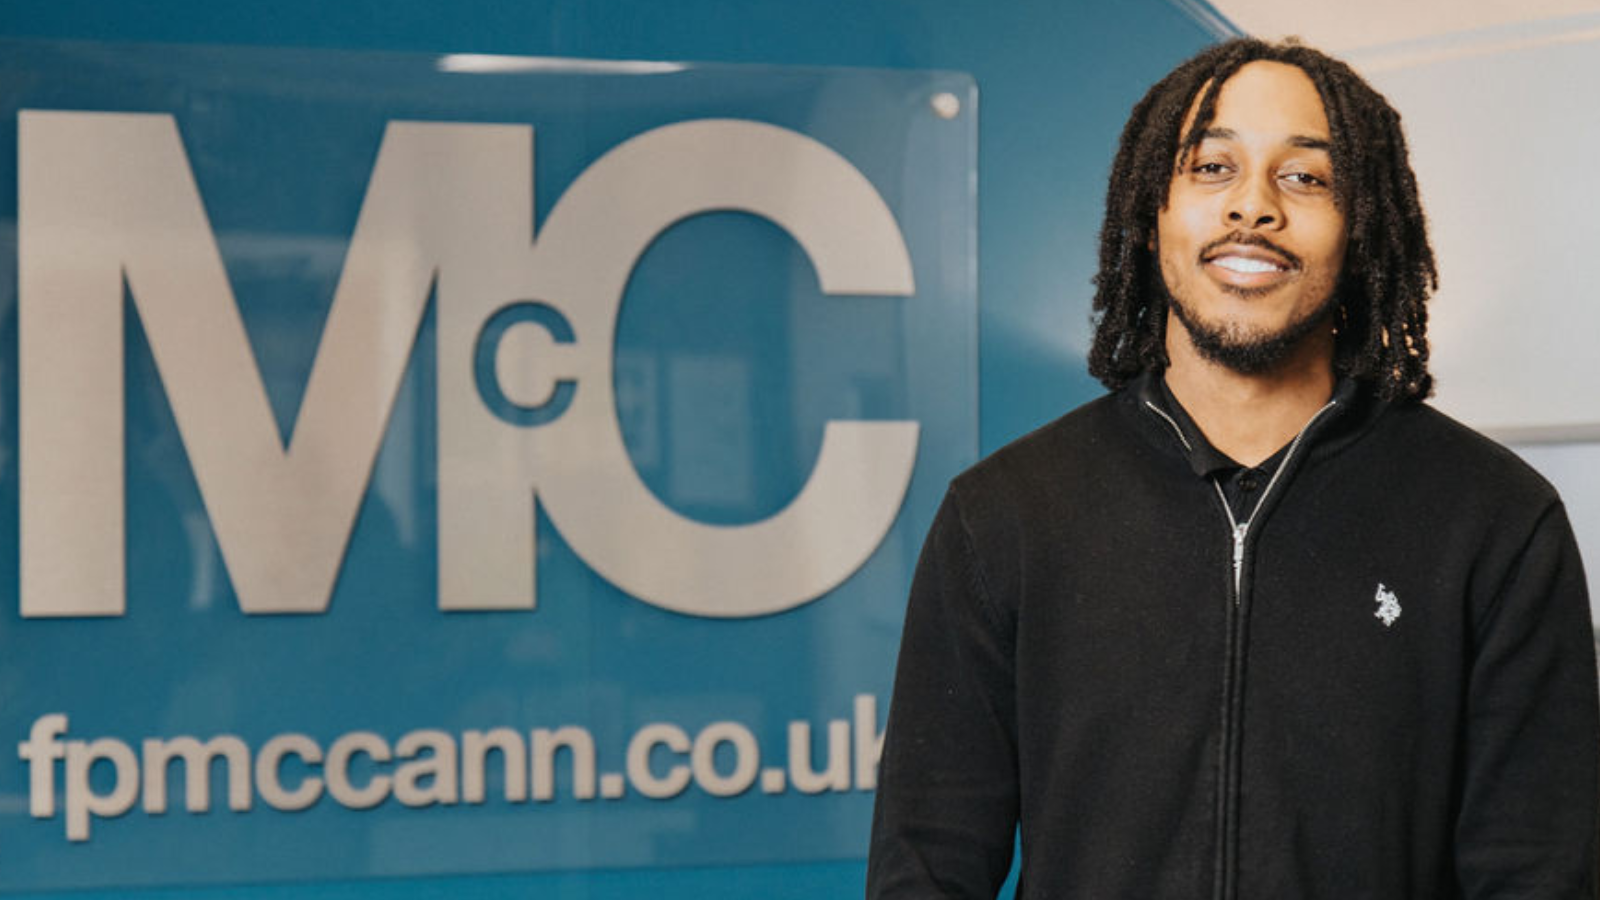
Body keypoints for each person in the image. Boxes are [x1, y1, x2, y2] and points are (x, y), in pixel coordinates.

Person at [866, 37, 1599, 899]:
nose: (1254, 208)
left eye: (1306, 177)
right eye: (1213, 167)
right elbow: (927, 868)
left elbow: (1539, 874)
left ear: (1359, 229)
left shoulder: (1495, 521)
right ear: (1152, 214)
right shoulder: (1005, 516)